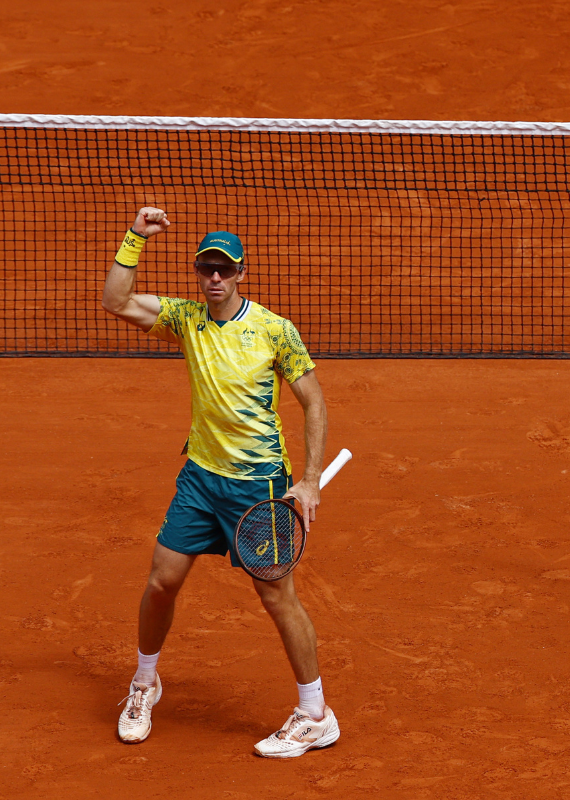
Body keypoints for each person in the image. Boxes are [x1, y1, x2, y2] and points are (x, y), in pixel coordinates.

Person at [102, 207, 340, 754]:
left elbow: (313, 400)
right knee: (162, 580)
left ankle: (315, 714)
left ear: (240, 274)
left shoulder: (275, 331)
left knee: (276, 596)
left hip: (256, 485)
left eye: (224, 270)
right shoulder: (186, 319)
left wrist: (307, 482)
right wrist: (135, 238)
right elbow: (115, 301)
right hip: (200, 479)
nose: (214, 278)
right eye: (207, 268)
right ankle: (144, 683)